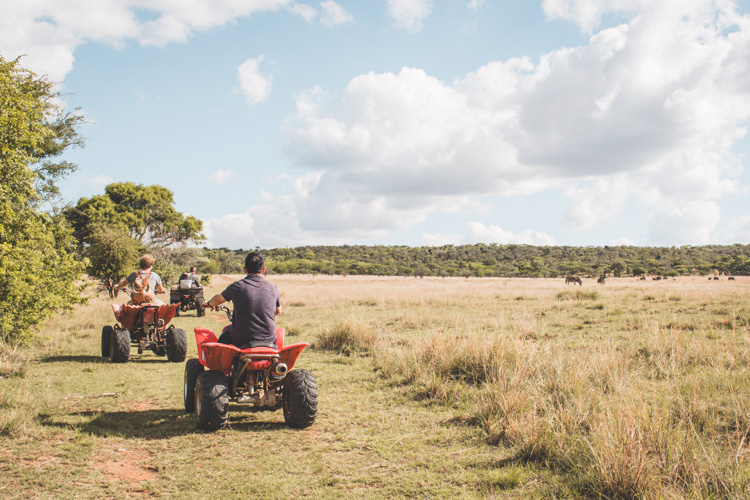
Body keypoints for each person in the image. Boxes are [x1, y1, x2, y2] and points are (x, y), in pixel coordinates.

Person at [203, 252, 282, 348]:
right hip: (269, 338)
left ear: (244, 269)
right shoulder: (273, 287)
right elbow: (278, 310)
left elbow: (217, 300)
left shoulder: (238, 286)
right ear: (263, 269)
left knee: (221, 344)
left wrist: (209, 304)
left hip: (241, 338)